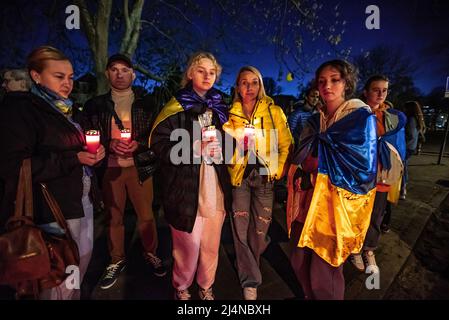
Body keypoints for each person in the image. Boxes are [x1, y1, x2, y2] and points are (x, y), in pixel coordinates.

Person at [0, 46, 105, 299]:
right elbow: (13, 166)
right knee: (57, 277)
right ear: (36, 76)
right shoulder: (23, 111)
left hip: (81, 203)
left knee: (78, 266)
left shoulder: (68, 111)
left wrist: (95, 155)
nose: (67, 83)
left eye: (70, 77)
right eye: (59, 76)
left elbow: (77, 152)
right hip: (52, 211)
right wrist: (74, 158)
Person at [286, 59, 377, 299]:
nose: (327, 86)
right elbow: (303, 153)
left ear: (346, 83)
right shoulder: (314, 119)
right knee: (298, 258)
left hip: (334, 207)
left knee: (324, 267)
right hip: (307, 200)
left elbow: (363, 166)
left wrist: (318, 162)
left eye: (335, 80)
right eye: (322, 81)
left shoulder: (359, 116)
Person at [150, 52, 232, 300]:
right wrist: (193, 148)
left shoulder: (221, 107)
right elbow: (158, 145)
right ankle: (181, 286)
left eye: (212, 72)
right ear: (190, 73)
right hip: (185, 189)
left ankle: (206, 286)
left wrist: (226, 147)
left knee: (210, 245)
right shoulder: (176, 107)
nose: (207, 76)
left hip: (215, 188)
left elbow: (232, 145)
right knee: (188, 246)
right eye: (201, 70)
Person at [81, 53, 166, 290]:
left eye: (125, 70)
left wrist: (138, 144)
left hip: (139, 168)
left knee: (146, 215)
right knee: (114, 217)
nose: (120, 74)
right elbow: (86, 134)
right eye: (114, 69)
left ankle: (151, 253)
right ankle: (116, 259)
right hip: (110, 169)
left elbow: (157, 136)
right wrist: (109, 144)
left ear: (133, 74)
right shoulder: (95, 105)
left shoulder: (147, 103)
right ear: (107, 73)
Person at [223, 66, 292, 300]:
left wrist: (279, 169)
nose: (249, 87)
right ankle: (250, 279)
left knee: (259, 229)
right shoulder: (229, 114)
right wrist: (237, 151)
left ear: (260, 85)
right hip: (240, 177)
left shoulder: (274, 111)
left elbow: (286, 144)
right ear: (237, 87)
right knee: (240, 229)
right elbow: (223, 149)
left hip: (265, 178)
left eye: (254, 82)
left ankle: (257, 248)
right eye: (244, 82)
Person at [349, 75, 406, 271]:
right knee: (357, 214)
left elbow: (398, 148)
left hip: (382, 174)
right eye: (376, 89)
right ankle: (355, 248)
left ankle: (369, 249)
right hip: (360, 175)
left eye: (385, 90)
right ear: (366, 92)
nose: (381, 94)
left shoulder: (391, 118)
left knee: (376, 215)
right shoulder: (356, 113)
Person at [401, 101, 425, 199]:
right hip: (412, 147)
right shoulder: (418, 119)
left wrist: (401, 142)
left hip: (407, 147)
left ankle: (403, 189)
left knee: (402, 168)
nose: (404, 110)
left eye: (405, 108)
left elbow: (410, 135)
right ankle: (403, 188)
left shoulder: (411, 119)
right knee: (404, 166)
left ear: (410, 109)